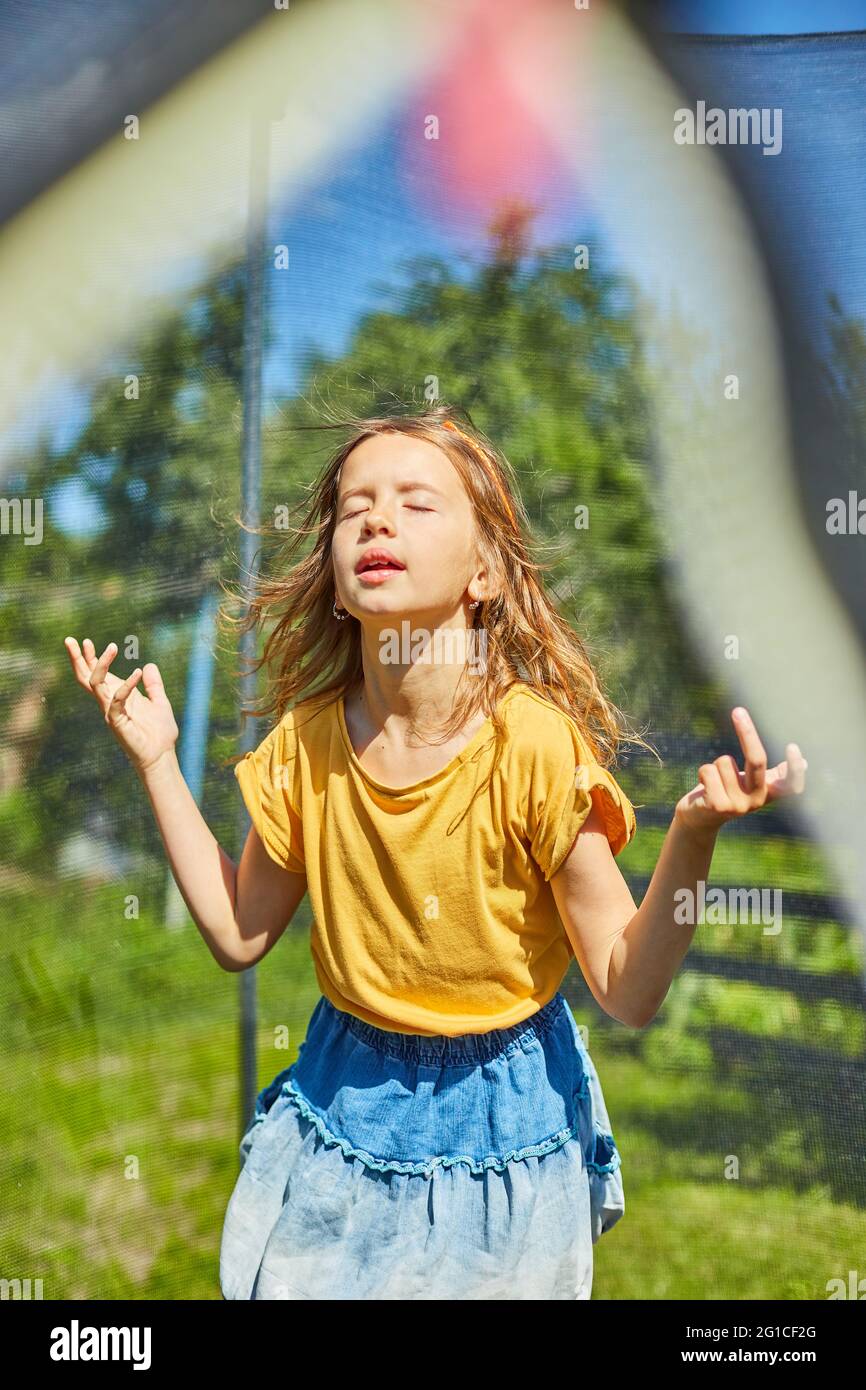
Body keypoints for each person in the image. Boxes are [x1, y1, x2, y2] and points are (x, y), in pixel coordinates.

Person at [63, 405, 808, 1300]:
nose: (377, 520)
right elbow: (237, 932)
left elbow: (628, 985)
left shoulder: (533, 747)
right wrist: (156, 764)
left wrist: (691, 838)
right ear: (339, 585)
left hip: (506, 1129)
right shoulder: (305, 746)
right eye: (354, 507)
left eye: (417, 503)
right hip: (341, 1105)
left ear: (485, 570)